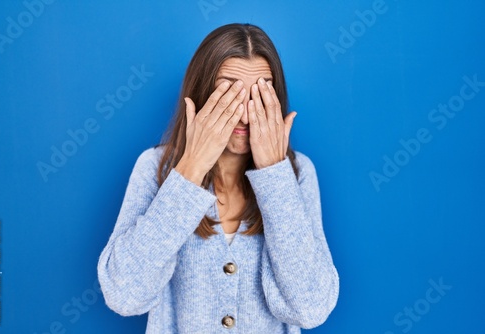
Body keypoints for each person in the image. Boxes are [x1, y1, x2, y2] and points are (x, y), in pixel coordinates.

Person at [97, 23, 339, 333]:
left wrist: (275, 177)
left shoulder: (297, 172)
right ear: (200, 94)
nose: (245, 114)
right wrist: (191, 169)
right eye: (229, 93)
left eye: (260, 94)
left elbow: (311, 308)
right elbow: (124, 295)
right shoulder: (155, 167)